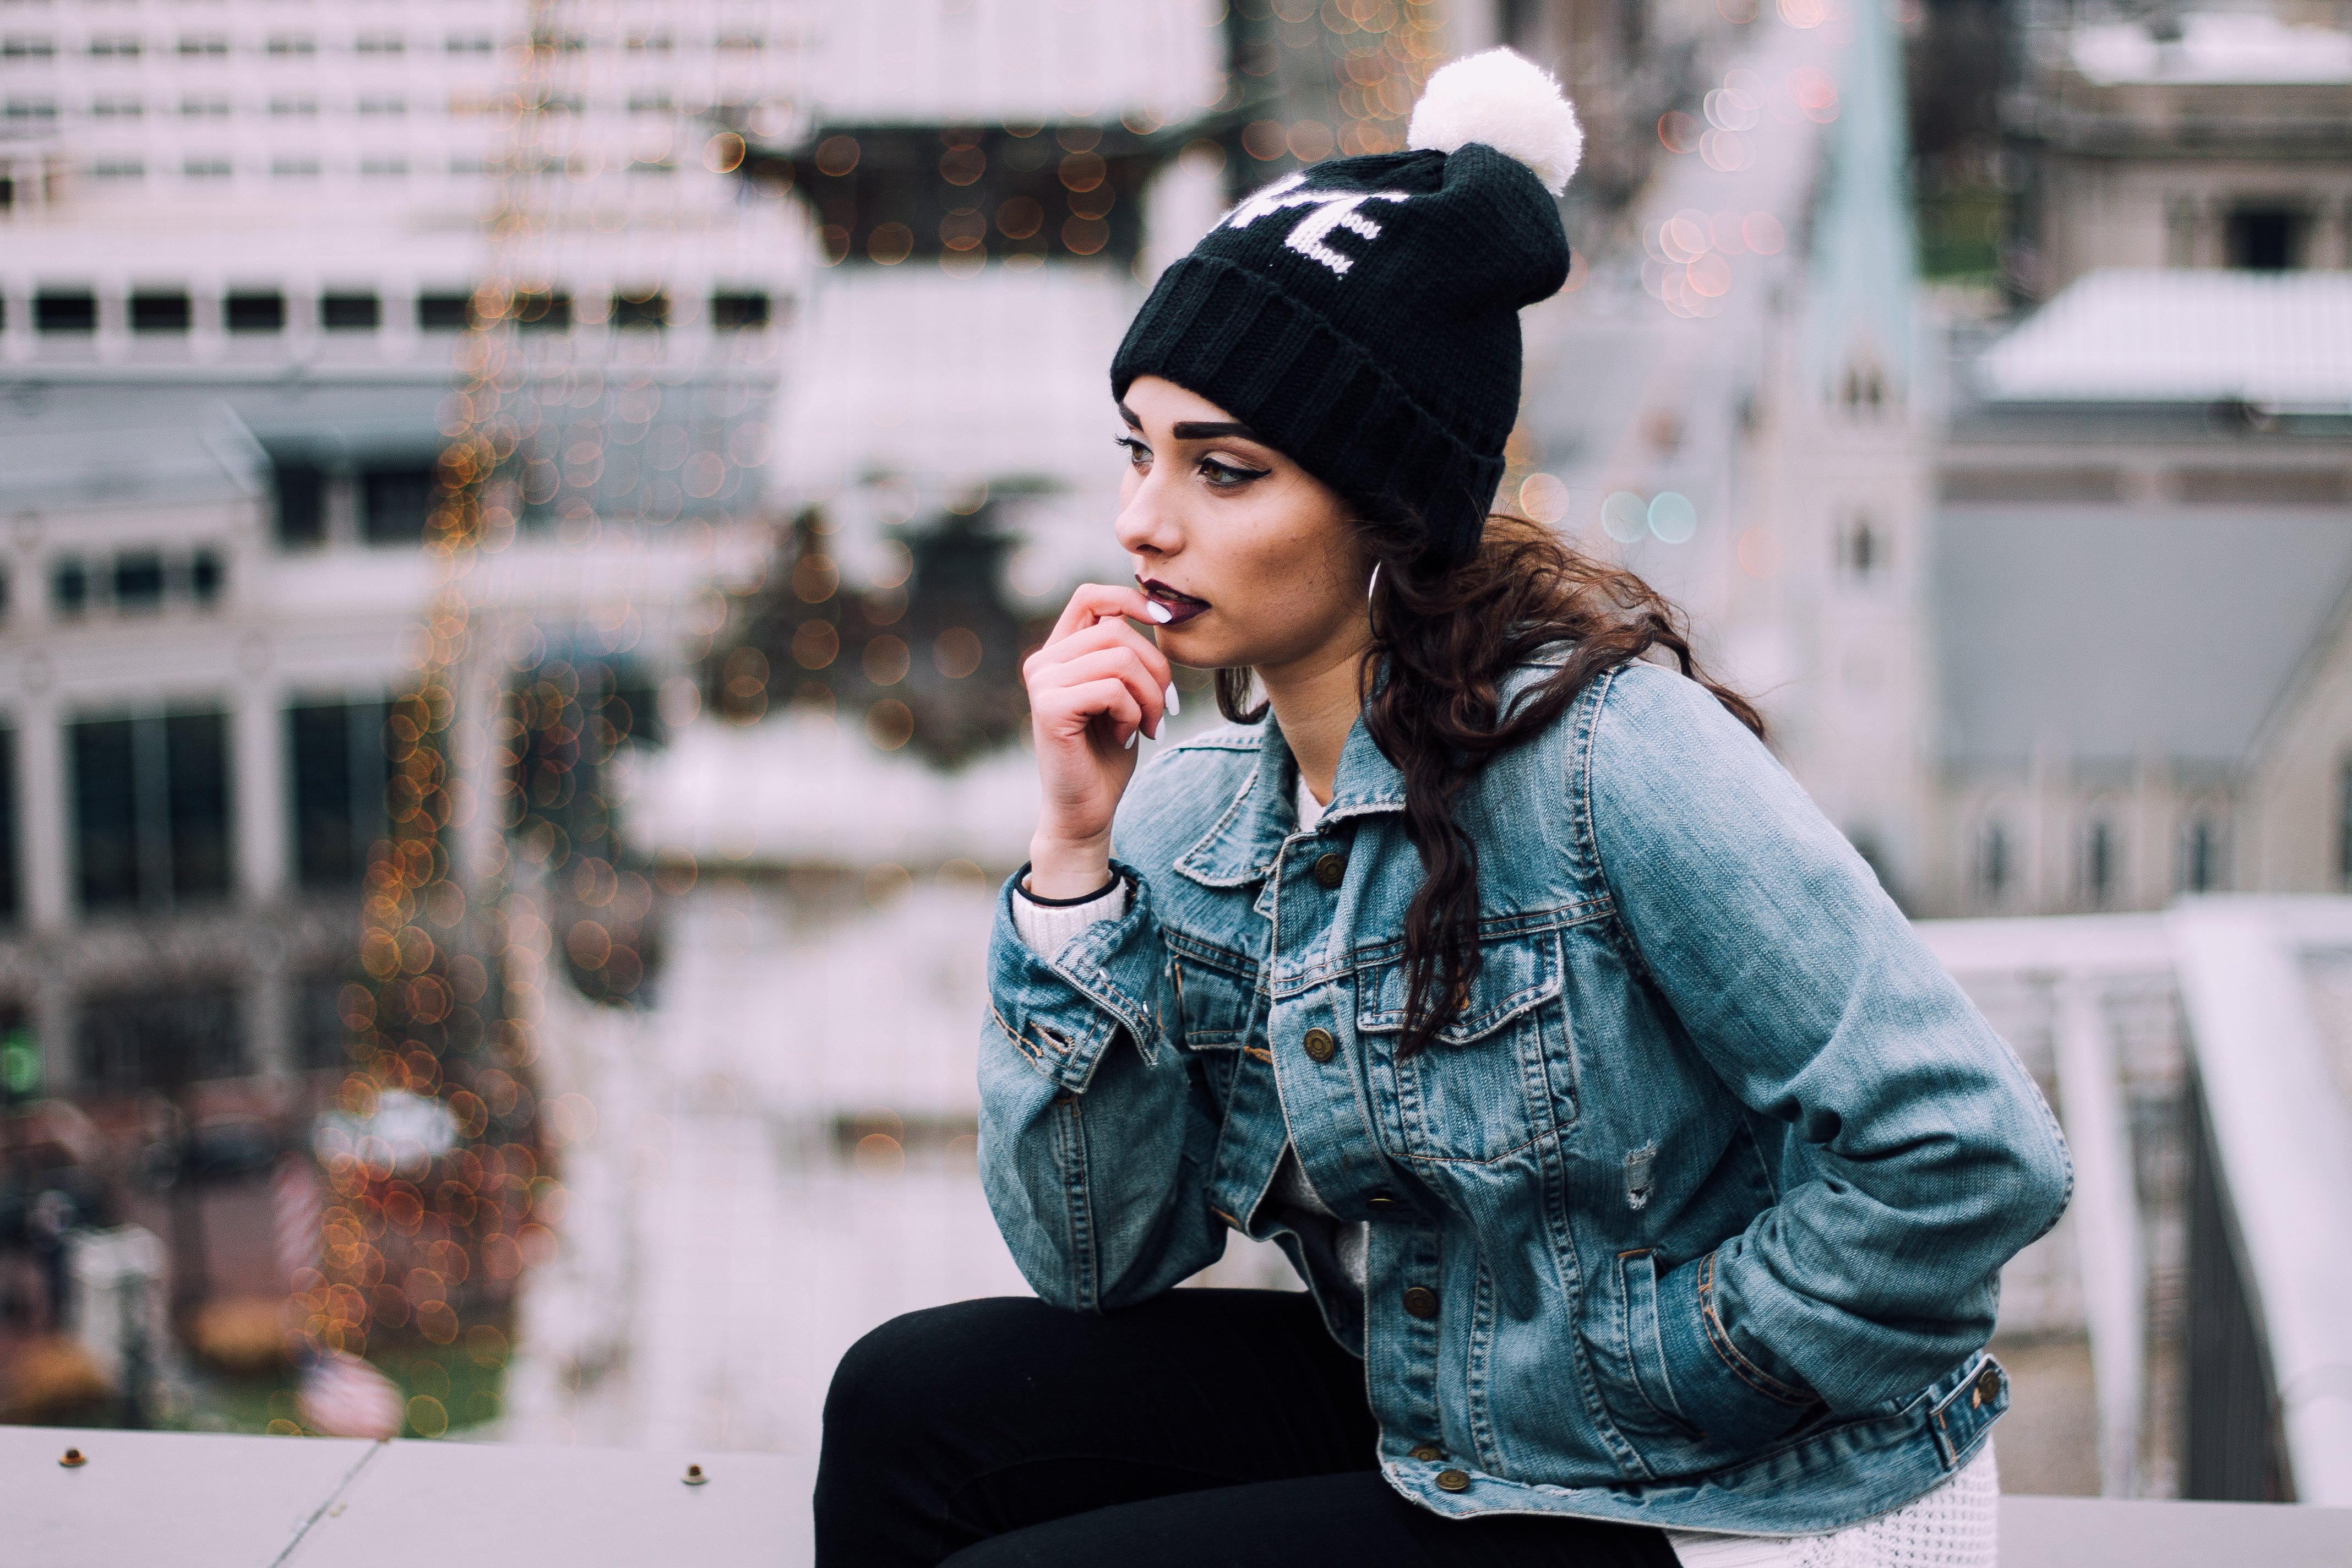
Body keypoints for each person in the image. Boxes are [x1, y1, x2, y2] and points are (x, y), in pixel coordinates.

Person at [815, 48, 2070, 1568]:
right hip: (1442, 1405)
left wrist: (1664, 1367)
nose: (1145, 519)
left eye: (1225, 471)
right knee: (909, 1408)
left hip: (1710, 1488)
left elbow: (1965, 1153)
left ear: (1389, 501)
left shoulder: (1612, 762)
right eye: (1138, 451)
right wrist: (1073, 862)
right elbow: (1095, 1260)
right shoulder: (1202, 813)